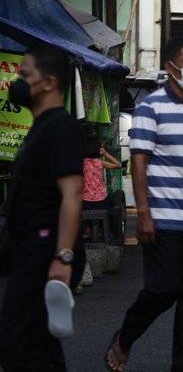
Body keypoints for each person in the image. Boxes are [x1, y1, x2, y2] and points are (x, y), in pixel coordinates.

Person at [105, 38, 183, 372]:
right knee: (162, 289)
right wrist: (143, 214)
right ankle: (124, 338)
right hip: (164, 220)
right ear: (172, 67)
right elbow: (139, 163)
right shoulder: (150, 108)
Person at [0, 45, 86, 371]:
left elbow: (72, 194)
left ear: (48, 82)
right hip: (30, 247)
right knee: (37, 345)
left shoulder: (59, 127)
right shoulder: (43, 126)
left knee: (16, 343)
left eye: (25, 75)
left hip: (44, 250)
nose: (17, 82)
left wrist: (63, 256)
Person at [82, 138, 122, 210]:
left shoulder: (82, 163)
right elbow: (118, 165)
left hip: (86, 201)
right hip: (102, 200)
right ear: (99, 150)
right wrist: (105, 153)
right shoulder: (100, 163)